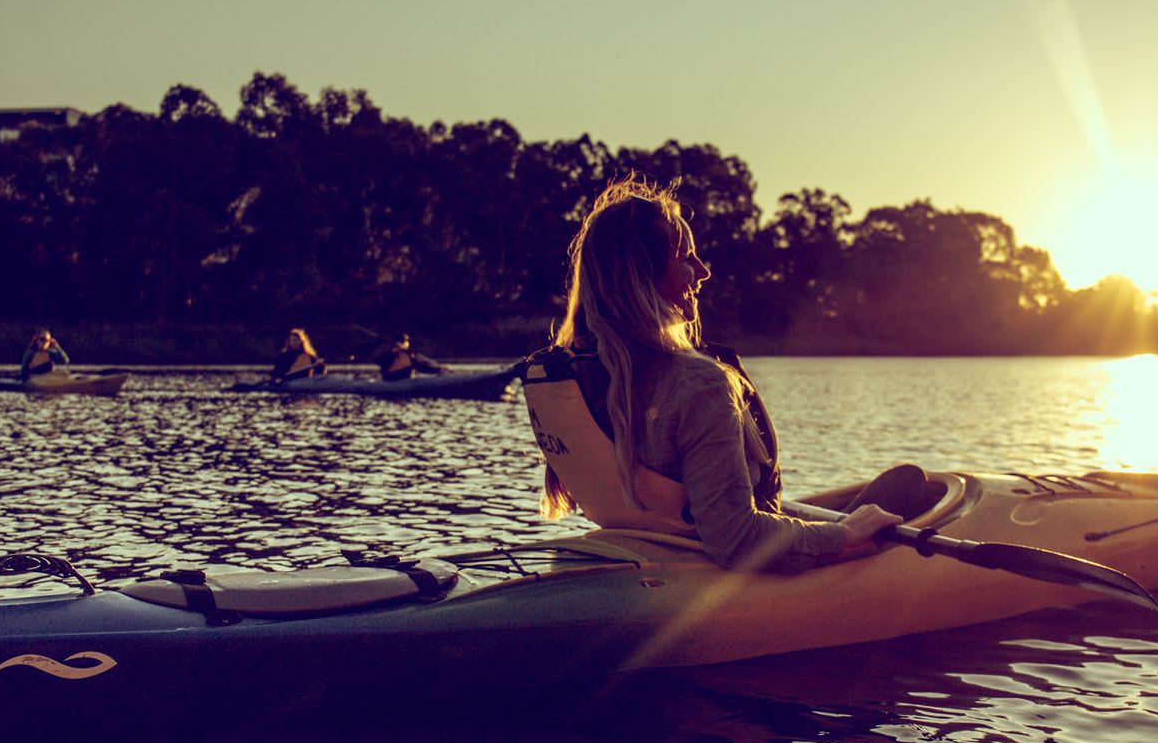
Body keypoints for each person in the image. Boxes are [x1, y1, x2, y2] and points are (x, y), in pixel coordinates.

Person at [524, 179, 931, 573]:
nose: (702, 271)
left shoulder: (568, 375)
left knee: (903, 483)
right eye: (685, 257)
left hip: (636, 551)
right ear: (641, 279)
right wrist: (845, 535)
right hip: (708, 569)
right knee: (911, 489)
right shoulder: (696, 384)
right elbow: (735, 538)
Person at [373, 332, 447, 382]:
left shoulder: (409, 354)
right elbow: (377, 361)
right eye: (406, 341)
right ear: (401, 342)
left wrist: (438, 369)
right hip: (391, 381)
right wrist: (391, 352)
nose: (408, 343)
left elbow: (421, 366)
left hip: (404, 381)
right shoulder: (390, 354)